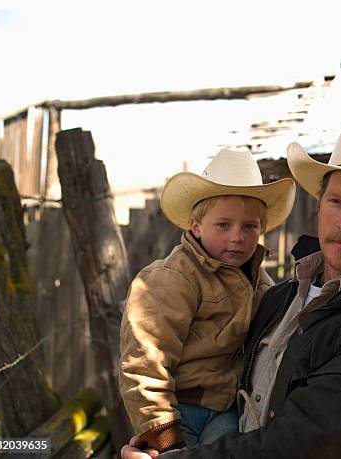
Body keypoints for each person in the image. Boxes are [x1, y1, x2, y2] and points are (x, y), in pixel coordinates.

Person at [122, 113, 341, 459]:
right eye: (336, 201)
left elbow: (298, 447)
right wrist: (160, 434)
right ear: (319, 206)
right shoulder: (278, 297)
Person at [119, 149, 296, 453]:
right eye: (223, 225)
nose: (237, 237)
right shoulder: (173, 277)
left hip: (228, 411)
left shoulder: (261, 284)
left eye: (249, 226)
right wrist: (162, 432)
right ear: (196, 226)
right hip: (177, 410)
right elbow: (145, 358)